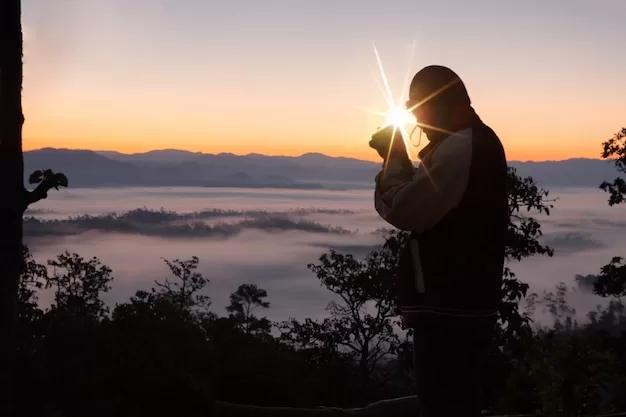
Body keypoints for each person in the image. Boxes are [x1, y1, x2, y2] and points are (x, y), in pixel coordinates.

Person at [370, 65, 509, 417]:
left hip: (451, 308)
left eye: (417, 106)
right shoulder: (467, 143)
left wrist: (394, 158)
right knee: (456, 402)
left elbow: (406, 209)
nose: (415, 115)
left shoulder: (462, 148)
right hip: (462, 305)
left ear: (436, 104)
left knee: (445, 406)